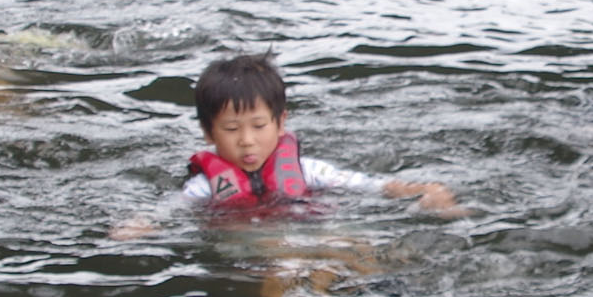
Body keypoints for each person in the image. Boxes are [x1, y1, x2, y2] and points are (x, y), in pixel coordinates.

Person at [173, 54, 457, 215]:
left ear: (280, 123)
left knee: (353, 248)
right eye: (232, 129)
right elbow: (170, 212)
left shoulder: (309, 171)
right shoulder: (203, 188)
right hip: (255, 251)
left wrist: (417, 189)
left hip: (310, 235)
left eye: (259, 126)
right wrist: (142, 224)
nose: (247, 139)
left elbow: (365, 184)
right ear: (208, 133)